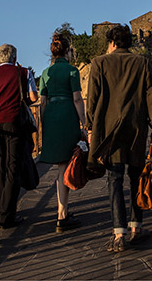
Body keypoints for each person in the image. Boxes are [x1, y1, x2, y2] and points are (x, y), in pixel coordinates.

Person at [85, 24, 152, 253]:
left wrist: (90, 126)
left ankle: (119, 233)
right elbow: (150, 95)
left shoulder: (99, 63)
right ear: (129, 42)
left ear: (112, 42)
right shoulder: (143, 62)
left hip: (109, 131)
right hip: (137, 127)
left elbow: (93, 99)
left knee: (114, 178)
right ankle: (136, 227)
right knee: (136, 176)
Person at [39, 32, 86, 233]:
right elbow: (77, 99)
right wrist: (85, 123)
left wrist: (44, 123)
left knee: (61, 166)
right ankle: (62, 215)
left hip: (51, 118)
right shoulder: (72, 71)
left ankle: (63, 211)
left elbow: (42, 102)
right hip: (67, 117)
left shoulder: (44, 73)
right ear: (67, 51)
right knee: (66, 165)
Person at [0, 44, 38, 229]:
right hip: (16, 123)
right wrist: (22, 100)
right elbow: (34, 97)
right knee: (13, 167)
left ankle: (1, 207)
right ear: (15, 57)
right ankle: (7, 214)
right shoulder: (23, 72)